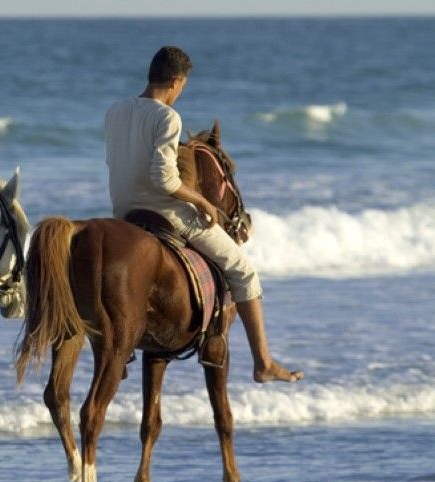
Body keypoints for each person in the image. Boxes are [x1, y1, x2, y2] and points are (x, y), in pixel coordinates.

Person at [105, 46, 302, 383]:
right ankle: (264, 362)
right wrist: (202, 202)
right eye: (182, 87)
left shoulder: (116, 111)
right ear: (175, 81)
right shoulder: (168, 117)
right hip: (164, 212)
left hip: (123, 213)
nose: (180, 94)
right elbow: (163, 179)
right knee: (243, 270)